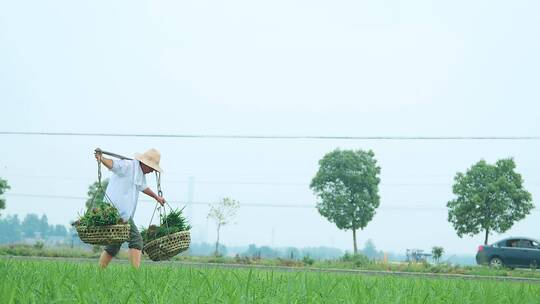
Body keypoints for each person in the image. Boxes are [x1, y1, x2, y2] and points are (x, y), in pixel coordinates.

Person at [94, 148, 166, 269]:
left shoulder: (139, 173)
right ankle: (135, 274)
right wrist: (101, 158)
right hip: (115, 210)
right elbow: (113, 164)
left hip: (124, 213)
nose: (152, 171)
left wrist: (156, 197)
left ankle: (99, 272)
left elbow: (143, 187)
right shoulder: (128, 166)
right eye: (152, 168)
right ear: (145, 164)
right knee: (137, 240)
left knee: (114, 245)